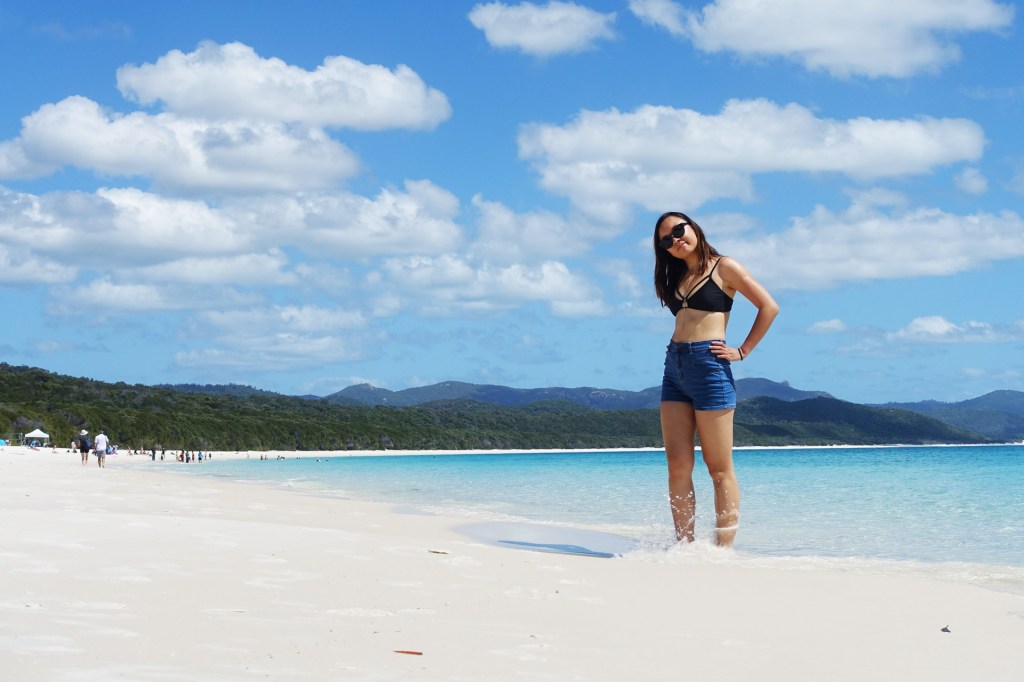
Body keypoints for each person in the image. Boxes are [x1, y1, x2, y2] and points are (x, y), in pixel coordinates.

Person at [653, 211, 778, 547]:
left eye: (679, 230)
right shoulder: (677, 276)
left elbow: (769, 306)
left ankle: (722, 551)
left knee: (718, 468)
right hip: (674, 367)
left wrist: (744, 350)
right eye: (667, 240)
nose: (676, 240)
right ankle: (685, 547)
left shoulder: (725, 267)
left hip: (710, 366)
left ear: (693, 227)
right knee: (678, 465)